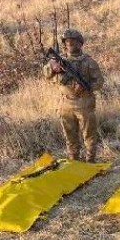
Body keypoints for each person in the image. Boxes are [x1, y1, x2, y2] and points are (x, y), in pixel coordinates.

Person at [43, 29, 104, 162]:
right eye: (67, 41)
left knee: (89, 135)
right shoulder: (59, 60)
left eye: (73, 41)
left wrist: (87, 87)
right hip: (66, 104)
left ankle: (90, 161)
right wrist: (53, 68)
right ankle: (74, 161)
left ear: (80, 43)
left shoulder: (89, 62)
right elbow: (46, 74)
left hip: (85, 103)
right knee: (70, 136)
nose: (70, 43)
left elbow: (99, 82)